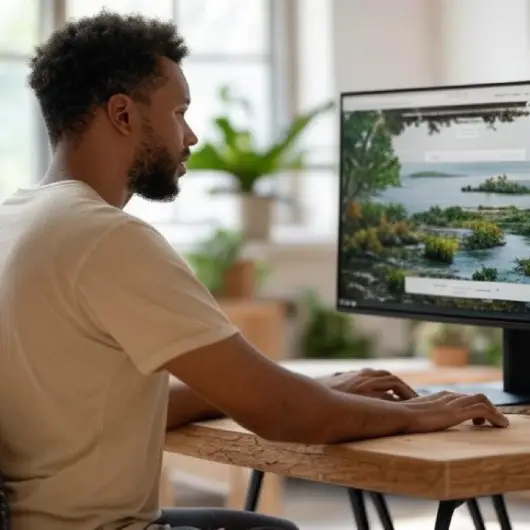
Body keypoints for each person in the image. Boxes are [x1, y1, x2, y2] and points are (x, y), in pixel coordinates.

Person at [0, 11, 508, 530]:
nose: (191, 136)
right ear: (124, 115)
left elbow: (98, 414)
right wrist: (419, 412)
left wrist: (314, 388)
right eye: (179, 113)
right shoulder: (107, 238)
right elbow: (285, 416)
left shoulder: (16, 223)